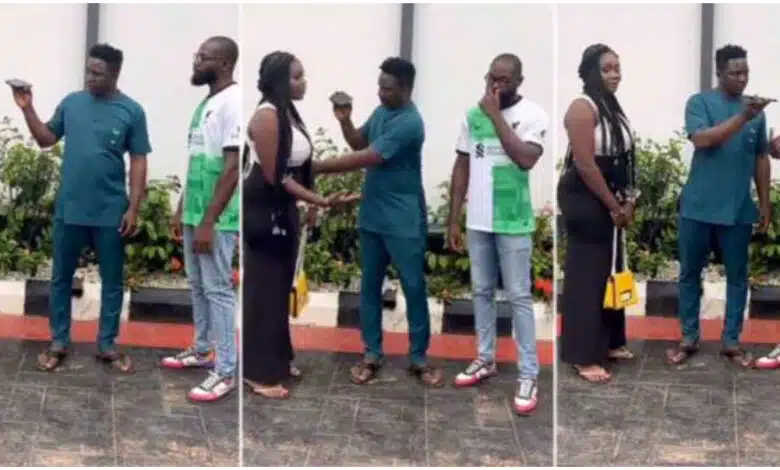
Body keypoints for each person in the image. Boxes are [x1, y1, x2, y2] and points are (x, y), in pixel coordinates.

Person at [9, 44, 151, 373]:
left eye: (97, 73)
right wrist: (28, 108)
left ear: (115, 73)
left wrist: (133, 208)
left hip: (110, 211)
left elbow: (139, 159)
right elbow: (46, 139)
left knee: (112, 281)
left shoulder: (132, 111)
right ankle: (58, 341)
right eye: (88, 71)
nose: (90, 78)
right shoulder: (72, 103)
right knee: (60, 278)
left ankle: (107, 345)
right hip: (70, 209)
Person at [314, 57, 444, 387]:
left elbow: (369, 157)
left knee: (413, 287)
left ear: (406, 89)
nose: (380, 93)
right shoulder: (382, 111)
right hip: (372, 214)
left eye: (387, 89)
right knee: (370, 286)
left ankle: (419, 358)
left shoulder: (410, 122)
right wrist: (345, 121)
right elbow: (359, 142)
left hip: (403, 219)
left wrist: (317, 167)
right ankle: (372, 353)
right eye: (379, 87)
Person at [242, 51, 355, 399]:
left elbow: (302, 167)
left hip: (284, 208)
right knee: (264, 290)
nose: (304, 82)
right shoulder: (266, 116)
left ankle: (277, 359)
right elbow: (277, 177)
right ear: (279, 81)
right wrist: (319, 200)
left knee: (279, 288)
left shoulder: (287, 112)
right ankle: (258, 373)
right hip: (265, 210)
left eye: (302, 75)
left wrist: (309, 203)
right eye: (296, 77)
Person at [447, 53, 548, 414]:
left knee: (519, 295)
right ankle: (485, 357)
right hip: (479, 220)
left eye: (504, 80)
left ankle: (528, 373)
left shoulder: (533, 115)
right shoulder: (471, 116)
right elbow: (462, 164)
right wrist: (454, 218)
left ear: (519, 82)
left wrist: (495, 116)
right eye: (492, 77)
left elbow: (525, 158)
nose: (496, 85)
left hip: (513, 221)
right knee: (481, 290)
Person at [668, 44, 775, 368]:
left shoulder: (755, 112)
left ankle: (731, 341)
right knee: (690, 274)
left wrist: (764, 203)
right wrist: (743, 117)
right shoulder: (700, 103)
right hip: (697, 207)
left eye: (745, 72)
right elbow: (702, 139)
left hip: (738, 209)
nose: (742, 79)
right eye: (735, 73)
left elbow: (761, 157)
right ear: (719, 73)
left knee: (738, 277)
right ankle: (689, 337)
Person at [160, 37, 241, 402]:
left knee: (218, 289)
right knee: (197, 283)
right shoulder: (207, 102)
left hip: (217, 218)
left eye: (203, 57)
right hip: (196, 213)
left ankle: (225, 371)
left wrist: (209, 220)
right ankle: (203, 348)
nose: (196, 61)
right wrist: (182, 209)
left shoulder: (233, 102)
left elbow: (232, 166)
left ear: (224, 63)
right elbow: (198, 161)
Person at [556, 44, 637, 383]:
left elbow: (626, 158)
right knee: (587, 273)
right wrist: (613, 205)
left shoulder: (611, 107)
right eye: (607, 69)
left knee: (609, 267)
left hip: (610, 195)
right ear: (591, 72)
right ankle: (582, 354)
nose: (615, 74)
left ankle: (610, 341)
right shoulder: (582, 107)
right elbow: (586, 164)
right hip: (585, 197)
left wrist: (630, 200)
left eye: (617, 67)